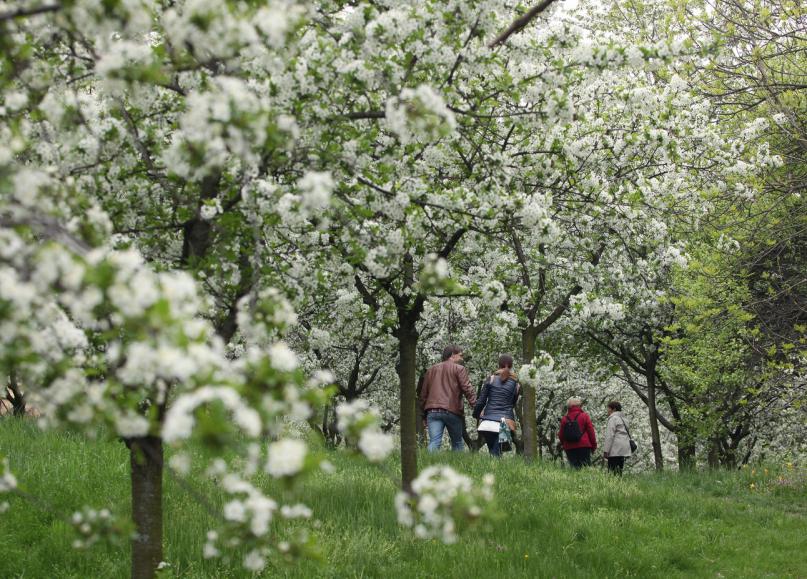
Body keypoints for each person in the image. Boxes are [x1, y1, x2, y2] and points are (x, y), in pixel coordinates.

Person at [419, 345, 476, 452]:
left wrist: (423, 415)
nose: (462, 359)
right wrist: (476, 407)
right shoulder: (459, 369)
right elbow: (467, 389)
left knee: (434, 442)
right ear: (452, 355)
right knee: (457, 442)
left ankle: (428, 466)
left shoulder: (431, 370)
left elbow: (423, 395)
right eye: (460, 356)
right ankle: (458, 467)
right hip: (452, 411)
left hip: (432, 411)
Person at [473, 354, 521, 457]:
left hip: (487, 422)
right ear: (511, 365)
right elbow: (512, 403)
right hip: (505, 423)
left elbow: (481, 401)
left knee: (494, 453)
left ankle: (491, 471)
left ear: (499, 365)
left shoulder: (491, 379)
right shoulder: (516, 385)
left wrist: (476, 414)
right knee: (496, 454)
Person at [558, 397, 597, 468]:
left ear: (569, 407)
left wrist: (564, 444)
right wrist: (593, 446)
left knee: (574, 468)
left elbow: (561, 434)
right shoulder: (585, 416)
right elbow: (591, 432)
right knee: (585, 468)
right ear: (579, 406)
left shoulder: (564, 419)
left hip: (570, 447)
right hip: (584, 446)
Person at [603, 400, 632, 474]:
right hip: (624, 447)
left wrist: (606, 450)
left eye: (608, 409)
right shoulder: (624, 419)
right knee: (619, 470)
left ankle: (613, 485)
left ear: (614, 409)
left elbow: (610, 435)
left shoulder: (613, 418)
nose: (607, 411)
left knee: (612, 472)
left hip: (615, 448)